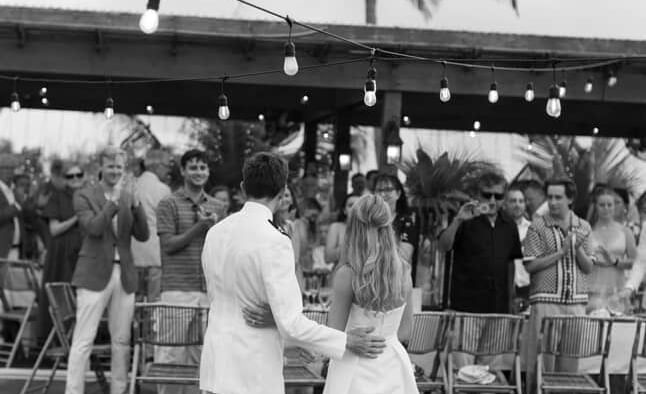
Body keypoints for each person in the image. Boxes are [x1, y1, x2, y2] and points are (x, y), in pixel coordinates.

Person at [199, 152, 386, 394]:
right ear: (282, 190)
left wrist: (287, 332)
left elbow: (224, 300)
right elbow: (291, 323)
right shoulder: (275, 240)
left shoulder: (215, 232)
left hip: (215, 361)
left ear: (244, 188)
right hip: (253, 368)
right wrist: (347, 341)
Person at [66, 147, 149, 394]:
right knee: (83, 339)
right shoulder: (84, 194)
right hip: (92, 273)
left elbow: (143, 236)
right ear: (100, 167)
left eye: (119, 167)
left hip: (123, 275)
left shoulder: (128, 196)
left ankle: (119, 390)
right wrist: (113, 203)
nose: (115, 171)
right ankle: (73, 391)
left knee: (122, 341)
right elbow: (93, 228)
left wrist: (136, 206)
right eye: (111, 166)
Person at [323, 194, 418, 394]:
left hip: (353, 365)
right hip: (393, 364)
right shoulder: (404, 271)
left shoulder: (348, 274)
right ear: (388, 225)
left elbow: (334, 334)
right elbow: (405, 331)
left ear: (353, 227)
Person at [155, 149, 222, 394]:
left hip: (209, 291)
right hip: (176, 290)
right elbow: (168, 246)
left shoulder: (218, 206)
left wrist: (214, 228)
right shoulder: (168, 203)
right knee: (171, 355)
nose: (198, 172)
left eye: (203, 167)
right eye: (193, 167)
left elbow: (223, 250)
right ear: (183, 171)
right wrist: (200, 227)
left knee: (202, 357)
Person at [523, 177, 594, 394]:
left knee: (569, 367)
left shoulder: (584, 226)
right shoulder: (538, 226)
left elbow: (588, 267)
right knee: (541, 364)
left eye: (558, 197)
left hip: (576, 304)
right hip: (545, 301)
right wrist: (561, 253)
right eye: (550, 197)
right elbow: (531, 265)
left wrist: (578, 248)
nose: (553, 202)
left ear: (570, 199)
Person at [438, 172, 522, 313]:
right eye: (487, 195)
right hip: (466, 307)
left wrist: (511, 298)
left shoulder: (509, 224)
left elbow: (510, 264)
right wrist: (457, 220)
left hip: (498, 307)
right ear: (477, 195)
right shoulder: (465, 219)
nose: (492, 201)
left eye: (498, 196)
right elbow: (443, 247)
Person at [37, 162, 85, 343]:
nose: (75, 179)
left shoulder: (89, 195)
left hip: (83, 253)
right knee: (62, 297)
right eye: (70, 176)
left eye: (78, 175)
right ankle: (60, 340)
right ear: (64, 179)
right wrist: (75, 218)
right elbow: (54, 229)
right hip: (62, 254)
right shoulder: (57, 197)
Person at [131, 149, 172, 302]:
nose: (168, 171)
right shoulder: (163, 189)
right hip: (155, 254)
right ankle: (148, 327)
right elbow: (168, 223)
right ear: (158, 166)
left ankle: (135, 326)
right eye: (167, 166)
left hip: (133, 253)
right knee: (153, 300)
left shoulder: (132, 185)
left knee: (135, 300)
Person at [587, 187, 637, 313]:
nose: (606, 208)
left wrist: (617, 262)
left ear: (615, 206)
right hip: (592, 291)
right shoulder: (588, 231)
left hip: (617, 292)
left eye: (610, 205)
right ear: (596, 207)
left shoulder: (625, 232)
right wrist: (591, 259)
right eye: (602, 205)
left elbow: (636, 263)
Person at [374, 174, 420, 283]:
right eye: (379, 190)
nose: (383, 194)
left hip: (396, 282)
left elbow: (404, 257)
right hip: (370, 282)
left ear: (398, 194)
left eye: (388, 190)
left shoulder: (406, 221)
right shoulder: (368, 221)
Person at [504, 183, 532, 310]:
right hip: (504, 288)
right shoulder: (499, 229)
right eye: (513, 201)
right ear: (505, 204)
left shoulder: (533, 229)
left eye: (521, 201)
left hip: (527, 289)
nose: (517, 204)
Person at [324, 193, 360, 266]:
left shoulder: (370, 229)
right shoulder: (336, 227)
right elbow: (328, 257)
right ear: (344, 210)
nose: (354, 208)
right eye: (350, 205)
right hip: (340, 274)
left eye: (359, 205)